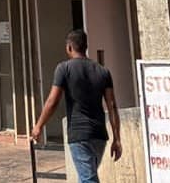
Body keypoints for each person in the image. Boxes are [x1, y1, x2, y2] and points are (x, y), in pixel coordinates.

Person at [31, 29, 122, 183]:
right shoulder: (103, 71)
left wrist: (39, 125)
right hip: (99, 135)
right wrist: (117, 138)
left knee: (88, 179)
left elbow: (52, 101)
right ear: (85, 47)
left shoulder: (64, 68)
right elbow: (112, 106)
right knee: (86, 176)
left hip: (79, 135)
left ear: (69, 47)